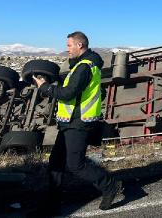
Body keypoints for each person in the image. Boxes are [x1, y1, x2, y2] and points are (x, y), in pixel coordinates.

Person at [33, 32, 122, 214]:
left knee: (76, 164)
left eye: (69, 45)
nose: (67, 49)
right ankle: (52, 206)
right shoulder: (87, 66)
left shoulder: (84, 67)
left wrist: (44, 87)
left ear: (80, 45)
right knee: (56, 163)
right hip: (69, 122)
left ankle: (110, 185)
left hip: (78, 123)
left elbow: (68, 93)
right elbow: (95, 92)